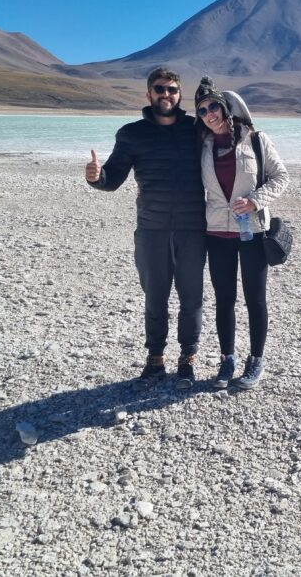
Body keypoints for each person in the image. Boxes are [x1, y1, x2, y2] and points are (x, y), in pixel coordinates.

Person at [85, 67, 206, 389]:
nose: (166, 95)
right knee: (155, 297)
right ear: (148, 94)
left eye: (172, 90)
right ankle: (155, 360)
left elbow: (228, 148)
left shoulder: (197, 130)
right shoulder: (131, 134)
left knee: (192, 298)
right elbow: (112, 180)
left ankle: (187, 361)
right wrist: (96, 178)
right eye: (160, 89)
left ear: (180, 95)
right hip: (151, 230)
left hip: (194, 230)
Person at [194, 77, 289, 389]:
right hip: (216, 234)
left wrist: (256, 201)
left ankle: (256, 360)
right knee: (224, 299)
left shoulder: (256, 141)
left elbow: (280, 177)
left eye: (213, 107)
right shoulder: (203, 146)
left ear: (225, 108)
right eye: (202, 110)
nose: (209, 113)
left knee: (255, 299)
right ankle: (227, 359)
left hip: (253, 234)